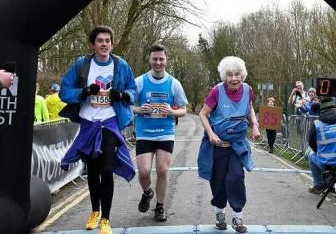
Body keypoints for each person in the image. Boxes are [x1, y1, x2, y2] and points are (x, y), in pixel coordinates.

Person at [59, 25, 136, 234]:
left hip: (110, 122)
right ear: (93, 44)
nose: (104, 44)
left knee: (106, 169)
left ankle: (106, 219)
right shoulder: (82, 65)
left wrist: (121, 95)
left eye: (107, 41)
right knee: (92, 171)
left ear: (112, 44)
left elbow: (133, 90)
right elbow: (64, 91)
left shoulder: (121, 66)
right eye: (100, 40)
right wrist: (84, 91)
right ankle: (94, 211)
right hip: (88, 123)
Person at [198, 56, 260, 234]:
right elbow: (203, 114)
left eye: (237, 74)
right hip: (218, 145)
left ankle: (237, 216)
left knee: (235, 177)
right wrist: (211, 134)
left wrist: (254, 125)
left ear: (242, 75)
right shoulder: (217, 91)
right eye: (230, 75)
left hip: (237, 145)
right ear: (225, 76)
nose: (234, 78)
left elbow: (249, 108)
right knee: (218, 181)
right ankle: (219, 214)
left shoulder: (248, 90)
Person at [133, 43, 188, 222]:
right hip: (144, 132)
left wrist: (172, 112)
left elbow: (184, 110)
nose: (158, 62)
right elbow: (127, 106)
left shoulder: (174, 83)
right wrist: (140, 109)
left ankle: (160, 207)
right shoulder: (139, 81)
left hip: (165, 132)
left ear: (166, 60)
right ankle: (147, 192)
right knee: (144, 171)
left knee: (163, 171)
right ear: (149, 59)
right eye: (155, 59)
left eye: (161, 59)